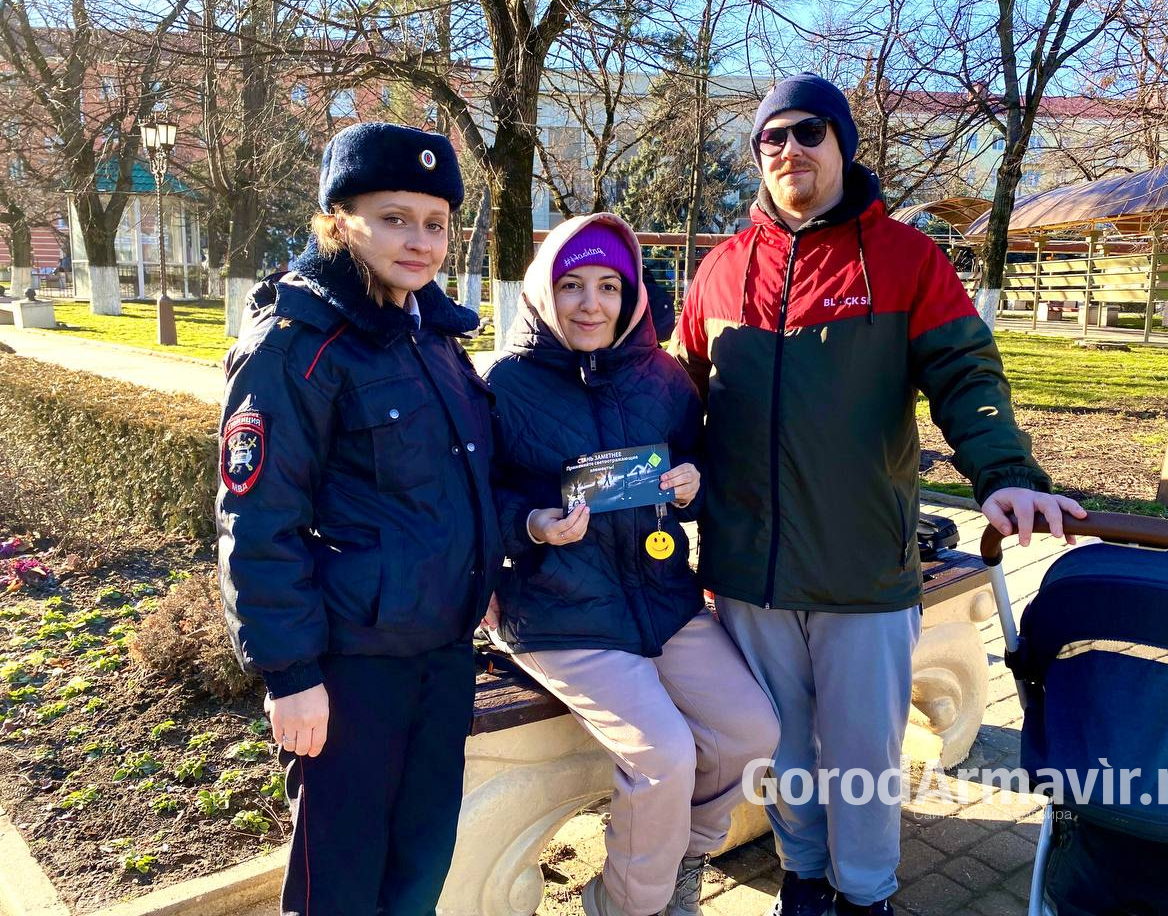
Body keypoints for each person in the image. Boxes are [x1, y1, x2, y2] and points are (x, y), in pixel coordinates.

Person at [672, 73, 1086, 916]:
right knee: (783, 750)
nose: (790, 149)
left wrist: (1003, 474)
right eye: (772, 138)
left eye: (810, 132)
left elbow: (967, 375)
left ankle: (866, 894)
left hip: (863, 565)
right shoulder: (719, 271)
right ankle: (806, 878)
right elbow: (676, 396)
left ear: (844, 145)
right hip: (748, 569)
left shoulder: (906, 259)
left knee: (861, 754)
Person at [216, 122, 502, 915]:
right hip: (350, 669)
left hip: (441, 659)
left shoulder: (436, 337)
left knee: (419, 871)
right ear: (339, 220)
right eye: (394, 217)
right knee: (337, 888)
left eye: (435, 222)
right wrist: (292, 675)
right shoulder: (298, 343)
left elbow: (456, 488)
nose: (419, 240)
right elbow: (257, 519)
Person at [484, 213, 780, 916]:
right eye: (572, 285)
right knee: (665, 755)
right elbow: (471, 500)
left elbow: (698, 458)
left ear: (631, 295)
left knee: (751, 731)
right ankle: (628, 906)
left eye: (609, 286)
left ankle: (682, 858)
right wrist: (531, 525)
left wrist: (691, 482)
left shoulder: (664, 377)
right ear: (542, 292)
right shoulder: (501, 382)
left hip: (661, 599)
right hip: (557, 611)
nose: (591, 303)